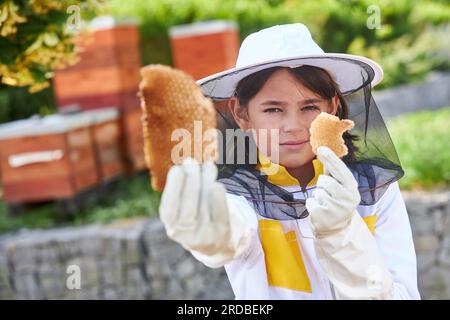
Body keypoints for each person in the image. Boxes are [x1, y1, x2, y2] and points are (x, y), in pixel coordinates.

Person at [159, 23, 420, 300]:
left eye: (309, 107)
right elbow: (231, 233)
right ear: (241, 114)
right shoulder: (237, 198)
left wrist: (343, 234)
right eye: (273, 109)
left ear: (332, 107)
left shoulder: (375, 189)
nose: (293, 126)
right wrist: (210, 231)